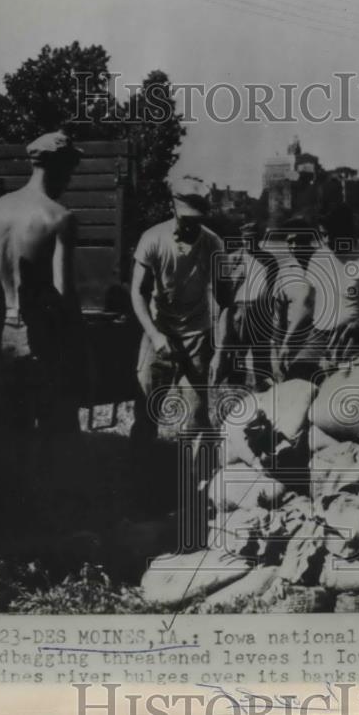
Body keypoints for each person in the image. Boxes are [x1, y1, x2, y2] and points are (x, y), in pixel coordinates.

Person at [130, 175, 229, 521]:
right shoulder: (152, 239)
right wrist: (156, 337)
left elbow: (226, 300)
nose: (191, 228)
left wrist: (219, 349)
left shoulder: (213, 243)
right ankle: (139, 488)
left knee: (198, 416)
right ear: (173, 208)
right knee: (146, 414)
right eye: (186, 220)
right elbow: (137, 293)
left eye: (198, 221)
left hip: (197, 337)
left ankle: (197, 494)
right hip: (159, 333)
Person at [0, 131, 85, 435]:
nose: (70, 180)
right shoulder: (59, 217)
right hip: (43, 337)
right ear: (61, 168)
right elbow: (64, 293)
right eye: (70, 171)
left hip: (2, 335)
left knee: (12, 430)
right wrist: (78, 350)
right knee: (58, 429)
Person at [304, 203, 359, 367]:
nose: (327, 240)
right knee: (294, 378)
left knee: (340, 387)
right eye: (323, 235)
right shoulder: (318, 257)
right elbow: (307, 304)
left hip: (351, 337)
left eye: (332, 234)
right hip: (317, 336)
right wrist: (288, 342)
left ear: (346, 230)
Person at [214, 221, 278, 391]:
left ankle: (264, 396)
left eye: (253, 239)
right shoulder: (234, 259)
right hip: (239, 313)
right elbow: (225, 294)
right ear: (241, 239)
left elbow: (272, 290)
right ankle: (234, 394)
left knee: (262, 358)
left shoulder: (269, 260)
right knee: (236, 357)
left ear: (259, 238)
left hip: (261, 312)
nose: (249, 243)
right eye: (246, 239)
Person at [271, 216, 319, 381]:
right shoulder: (284, 273)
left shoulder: (326, 266)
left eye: (300, 241)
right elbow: (278, 317)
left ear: (309, 240)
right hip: (293, 342)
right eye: (290, 242)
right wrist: (277, 354)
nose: (294, 246)